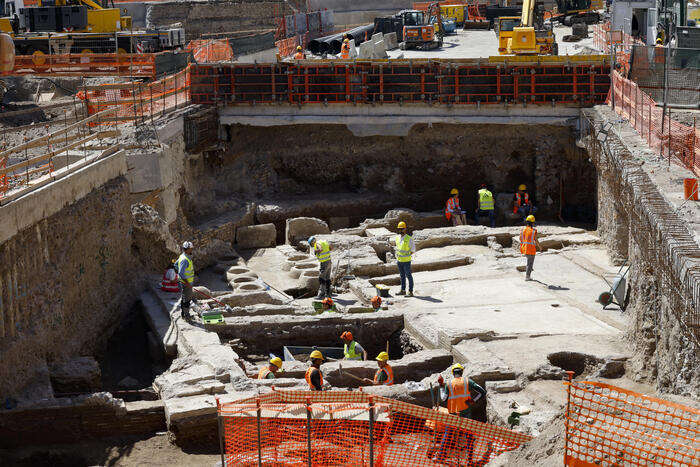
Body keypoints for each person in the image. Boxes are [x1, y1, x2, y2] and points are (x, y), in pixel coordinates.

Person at [433, 363, 488, 464]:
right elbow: (482, 391)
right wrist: (474, 400)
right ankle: (470, 460)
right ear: (461, 372)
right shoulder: (468, 381)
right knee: (469, 436)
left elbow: (443, 399)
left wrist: (441, 386)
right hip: (466, 414)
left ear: (453, 373)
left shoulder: (449, 384)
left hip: (453, 415)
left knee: (448, 434)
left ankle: (440, 456)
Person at [394, 221, 415, 297]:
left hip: (406, 261)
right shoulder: (397, 238)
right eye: (399, 229)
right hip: (399, 261)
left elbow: (412, 250)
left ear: (405, 229)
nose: (400, 230)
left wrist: (406, 255)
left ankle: (410, 291)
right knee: (402, 276)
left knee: (408, 276)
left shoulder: (409, 239)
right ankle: (403, 290)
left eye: (402, 229)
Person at [177, 241, 195, 321]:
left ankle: (184, 315)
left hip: (185, 282)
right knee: (186, 300)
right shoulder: (184, 259)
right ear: (187, 249)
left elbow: (175, 265)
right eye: (191, 248)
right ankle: (187, 316)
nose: (192, 249)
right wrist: (187, 282)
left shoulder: (183, 256)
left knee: (184, 298)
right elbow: (181, 272)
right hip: (186, 283)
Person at [520, 215, 541, 281]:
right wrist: (540, 247)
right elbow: (536, 240)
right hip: (531, 249)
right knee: (530, 263)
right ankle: (527, 277)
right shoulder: (533, 231)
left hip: (524, 248)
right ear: (533, 223)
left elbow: (520, 238)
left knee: (528, 262)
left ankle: (527, 276)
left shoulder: (523, 230)